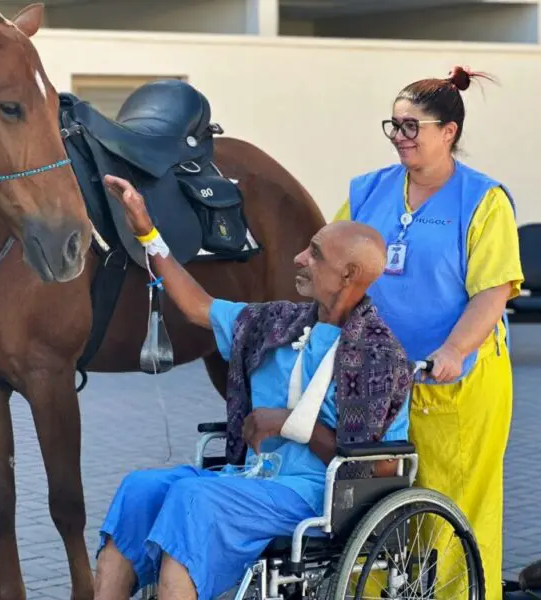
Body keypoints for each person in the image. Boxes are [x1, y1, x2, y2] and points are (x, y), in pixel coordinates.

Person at [93, 174, 413, 600]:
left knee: (195, 498)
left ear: (349, 274)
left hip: (318, 493)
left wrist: (289, 424)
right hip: (255, 477)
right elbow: (196, 305)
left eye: (314, 254)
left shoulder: (378, 357)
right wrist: (145, 230)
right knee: (140, 489)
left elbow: (378, 467)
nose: (299, 258)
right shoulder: (277, 323)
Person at [334, 66, 524, 600]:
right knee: (367, 506)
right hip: (373, 380)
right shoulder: (368, 190)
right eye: (393, 126)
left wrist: (454, 350)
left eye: (412, 126)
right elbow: (332, 261)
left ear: (449, 132)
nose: (400, 137)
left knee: (453, 506)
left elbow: (492, 292)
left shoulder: (482, 201)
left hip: (453, 384)